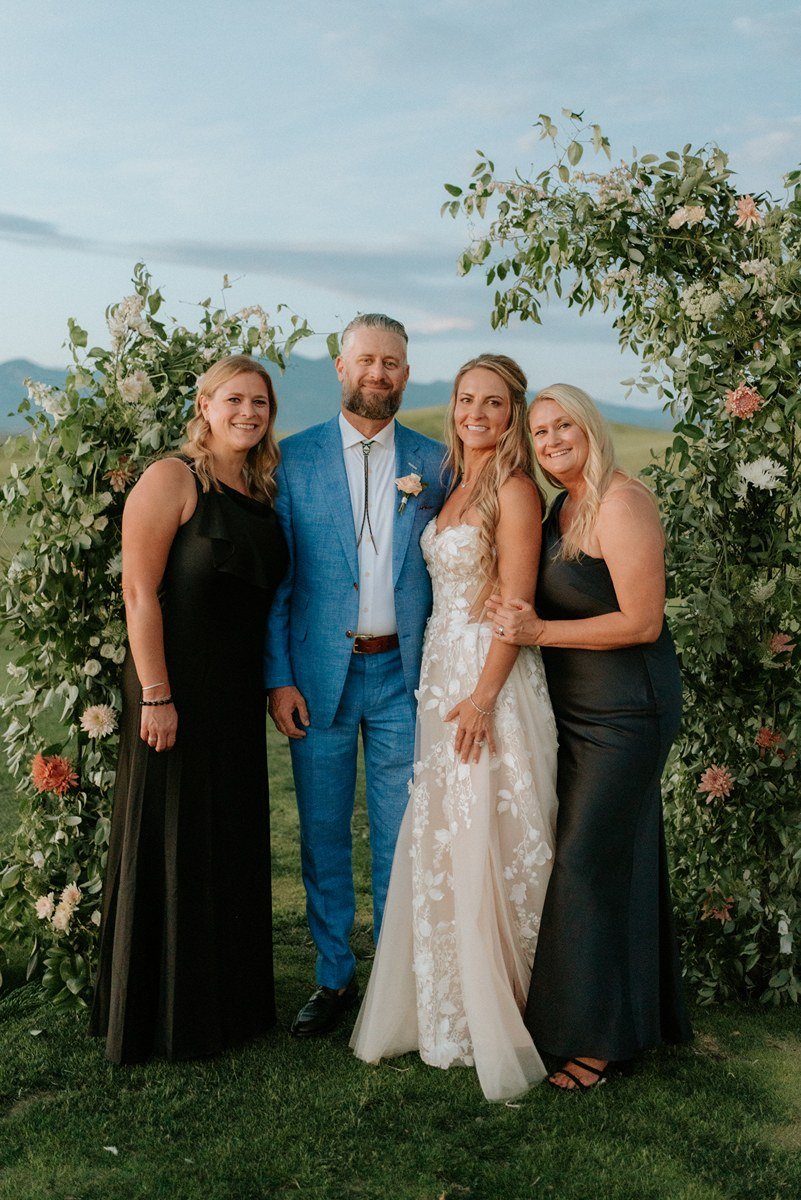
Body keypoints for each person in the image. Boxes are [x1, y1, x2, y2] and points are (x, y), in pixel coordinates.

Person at [350, 354, 559, 1102]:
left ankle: (507, 1008)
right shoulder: (446, 483)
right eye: (467, 399)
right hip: (439, 673)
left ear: (512, 413)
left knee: (489, 836)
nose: (477, 413)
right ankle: (447, 1004)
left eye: (494, 404)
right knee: (442, 834)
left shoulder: (513, 492)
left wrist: (481, 697)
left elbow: (515, 606)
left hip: (487, 679)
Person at [487, 383, 692, 1091]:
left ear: (589, 427)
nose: (549, 440)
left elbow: (641, 621)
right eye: (538, 431)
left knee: (584, 862)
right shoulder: (559, 508)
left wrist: (540, 632)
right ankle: (644, 1013)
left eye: (561, 424)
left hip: (627, 711)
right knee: (619, 855)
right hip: (574, 710)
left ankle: (595, 1042)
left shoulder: (620, 502)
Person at [91, 355, 288, 1064]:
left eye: (259, 402)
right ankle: (156, 1015)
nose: (247, 413)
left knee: (225, 839)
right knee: (171, 835)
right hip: (171, 688)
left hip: (234, 693)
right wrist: (156, 693)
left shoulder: (258, 486)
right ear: (204, 405)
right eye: (233, 399)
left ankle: (227, 1008)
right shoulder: (173, 478)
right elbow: (140, 594)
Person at [264, 313, 448, 1037]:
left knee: (404, 834)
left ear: (406, 372)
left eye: (393, 362)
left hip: (405, 679)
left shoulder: (436, 464)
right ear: (341, 367)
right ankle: (334, 975)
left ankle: (399, 980)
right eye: (367, 360)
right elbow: (280, 585)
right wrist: (278, 679)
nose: (380, 373)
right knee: (322, 833)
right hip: (317, 681)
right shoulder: (291, 459)